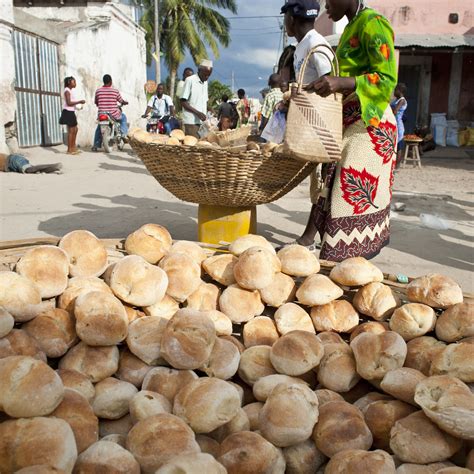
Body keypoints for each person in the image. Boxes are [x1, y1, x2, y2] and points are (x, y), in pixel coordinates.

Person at [294, 0, 398, 261]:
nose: (326, 6)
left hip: (370, 125)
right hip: (350, 119)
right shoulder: (351, 27)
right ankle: (313, 244)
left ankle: (343, 261)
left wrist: (341, 81)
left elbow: (386, 79)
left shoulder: (373, 23)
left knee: (348, 190)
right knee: (329, 180)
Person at [279, 0, 334, 251]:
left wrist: (301, 94)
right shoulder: (303, 46)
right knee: (319, 182)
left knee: (323, 181)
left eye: (285, 18)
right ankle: (314, 235)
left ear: (291, 19)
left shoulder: (315, 44)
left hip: (321, 123)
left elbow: (329, 82)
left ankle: (309, 238)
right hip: (310, 121)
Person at [92, 74, 129, 151]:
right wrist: (124, 102)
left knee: (99, 127)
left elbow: (96, 102)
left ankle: (96, 145)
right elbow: (121, 100)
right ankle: (123, 134)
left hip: (102, 114)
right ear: (111, 81)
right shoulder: (115, 91)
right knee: (124, 117)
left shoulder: (98, 91)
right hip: (113, 114)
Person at [180, 60, 213, 138]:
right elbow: (183, 102)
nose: (207, 77)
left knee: (202, 146)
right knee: (193, 146)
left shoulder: (205, 83)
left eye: (209, 75)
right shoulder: (190, 80)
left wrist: (210, 109)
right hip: (191, 122)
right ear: (199, 70)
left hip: (202, 122)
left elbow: (202, 100)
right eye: (205, 75)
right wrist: (198, 113)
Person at [59, 76, 85, 155]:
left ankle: (73, 147)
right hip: (68, 112)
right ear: (69, 83)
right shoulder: (67, 91)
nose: (75, 83)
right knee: (71, 131)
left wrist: (77, 106)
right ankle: (69, 149)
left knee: (75, 129)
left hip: (71, 111)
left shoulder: (70, 91)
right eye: (73, 82)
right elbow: (69, 103)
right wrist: (79, 101)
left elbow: (71, 103)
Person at [391, 83, 408, 167]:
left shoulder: (402, 100)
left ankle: (397, 165)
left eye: (395, 90)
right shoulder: (397, 100)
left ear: (400, 91)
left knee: (399, 146)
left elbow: (395, 111)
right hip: (394, 124)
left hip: (398, 125)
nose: (394, 92)